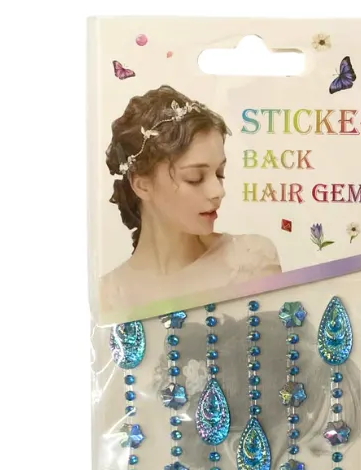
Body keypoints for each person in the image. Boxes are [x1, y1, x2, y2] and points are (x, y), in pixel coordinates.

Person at [101, 86, 281, 316]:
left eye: (220, 174)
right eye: (195, 178)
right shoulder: (109, 296)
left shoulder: (251, 261)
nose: (218, 192)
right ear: (142, 185)